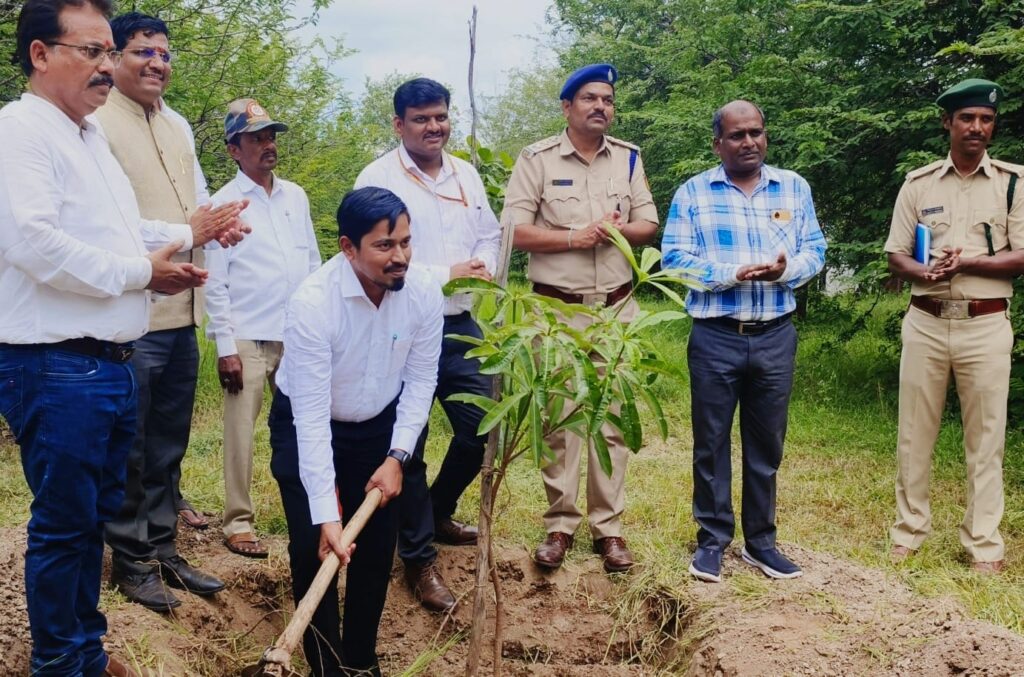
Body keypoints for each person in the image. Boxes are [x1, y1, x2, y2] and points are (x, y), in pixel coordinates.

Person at [0, 0, 244, 674]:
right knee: (64, 523)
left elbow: (121, 229)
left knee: (93, 515)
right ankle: (60, 661)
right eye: (91, 52)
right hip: (54, 364)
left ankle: (85, 646)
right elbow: (34, 243)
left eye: (109, 52)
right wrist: (144, 273)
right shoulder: (21, 132)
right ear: (40, 54)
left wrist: (188, 234)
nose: (106, 67)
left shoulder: (85, 137)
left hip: (105, 362)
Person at [95, 11, 238, 611]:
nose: (157, 63)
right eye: (143, 52)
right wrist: (189, 231)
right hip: (133, 312)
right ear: (113, 58)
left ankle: (163, 548)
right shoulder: (96, 123)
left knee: (168, 443)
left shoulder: (177, 124)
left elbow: (199, 202)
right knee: (130, 444)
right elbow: (109, 224)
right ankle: (131, 560)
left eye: (165, 54)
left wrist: (221, 226)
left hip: (183, 312)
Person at [269, 187, 442, 675]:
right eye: (384, 246)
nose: (400, 256)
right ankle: (326, 667)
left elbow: (421, 380)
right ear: (348, 248)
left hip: (380, 430)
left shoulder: (424, 291)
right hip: (307, 425)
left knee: (376, 549)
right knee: (314, 548)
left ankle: (361, 663)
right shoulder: (313, 304)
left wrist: (397, 456)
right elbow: (310, 419)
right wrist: (327, 514)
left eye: (405, 242)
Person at [502, 63, 659, 573]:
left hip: (616, 309)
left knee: (612, 417)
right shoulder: (537, 159)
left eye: (608, 100)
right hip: (557, 311)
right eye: (590, 98)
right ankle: (560, 525)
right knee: (562, 418)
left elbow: (648, 223)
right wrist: (576, 236)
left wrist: (617, 230)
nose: (601, 107)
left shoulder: (629, 158)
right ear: (567, 107)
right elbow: (514, 232)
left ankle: (608, 529)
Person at [662, 100, 826, 583]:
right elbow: (674, 259)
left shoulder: (793, 187)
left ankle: (761, 543)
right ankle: (712, 540)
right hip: (716, 336)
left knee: (766, 444)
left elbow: (815, 250)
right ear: (718, 144)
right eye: (737, 135)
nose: (749, 142)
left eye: (756, 132)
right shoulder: (694, 192)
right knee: (710, 442)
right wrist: (730, 273)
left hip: (775, 335)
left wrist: (785, 271)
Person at [353, 77, 500, 612]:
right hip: (401, 324)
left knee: (482, 427)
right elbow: (373, 256)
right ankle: (418, 558)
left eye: (440, 117)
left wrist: (483, 266)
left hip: (459, 324)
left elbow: (490, 234)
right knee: (406, 443)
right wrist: (447, 274)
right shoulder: (378, 178)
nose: (433, 127)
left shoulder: (465, 173)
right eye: (421, 119)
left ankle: (437, 512)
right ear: (399, 124)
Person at [884, 78, 1023, 574]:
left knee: (986, 439)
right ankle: (908, 532)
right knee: (913, 434)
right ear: (948, 123)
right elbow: (896, 254)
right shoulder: (919, 184)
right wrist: (923, 273)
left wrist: (968, 264)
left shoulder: (1013, 183)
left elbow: (1022, 255)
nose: (977, 128)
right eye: (967, 118)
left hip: (985, 325)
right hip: (926, 322)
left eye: (986, 119)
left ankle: (983, 543)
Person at [208, 98, 322, 558]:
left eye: (271, 136)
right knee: (241, 432)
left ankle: (315, 511)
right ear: (234, 149)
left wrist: (318, 323)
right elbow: (215, 281)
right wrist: (225, 346)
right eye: (256, 138)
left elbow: (312, 262)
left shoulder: (296, 196)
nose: (268, 145)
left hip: (296, 335)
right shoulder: (221, 204)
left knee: (305, 425)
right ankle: (238, 522)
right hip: (247, 335)